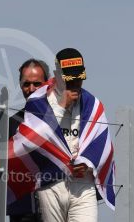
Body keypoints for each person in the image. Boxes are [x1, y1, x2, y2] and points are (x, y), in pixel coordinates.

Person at [35, 48, 111, 222]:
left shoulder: (92, 104)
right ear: (57, 75)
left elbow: (103, 144)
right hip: (51, 181)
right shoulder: (41, 101)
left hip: (82, 183)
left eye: (78, 80)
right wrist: (62, 106)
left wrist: (87, 162)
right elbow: (35, 137)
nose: (75, 85)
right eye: (70, 80)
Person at [8, 59, 49, 222]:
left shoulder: (62, 119)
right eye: (26, 84)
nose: (31, 89)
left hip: (58, 206)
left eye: (37, 84)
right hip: (22, 210)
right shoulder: (11, 123)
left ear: (47, 84)